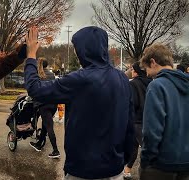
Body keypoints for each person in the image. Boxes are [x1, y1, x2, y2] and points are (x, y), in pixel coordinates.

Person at [24, 26, 134, 179]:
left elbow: (35, 89)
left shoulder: (80, 79)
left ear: (84, 49)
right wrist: (125, 159)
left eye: (76, 47)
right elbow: (129, 122)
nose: (75, 52)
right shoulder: (122, 78)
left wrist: (30, 55)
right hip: (114, 168)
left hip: (83, 169)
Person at [139, 43, 189, 180]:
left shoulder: (156, 86)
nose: (147, 74)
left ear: (153, 62)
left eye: (145, 68)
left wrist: (145, 160)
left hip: (161, 165)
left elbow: (151, 131)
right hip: (185, 163)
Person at [123, 61, 152, 179]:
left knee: (143, 148)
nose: (131, 71)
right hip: (148, 118)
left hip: (136, 120)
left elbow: (132, 103)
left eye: (133, 69)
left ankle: (148, 171)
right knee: (136, 145)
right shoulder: (151, 82)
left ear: (136, 72)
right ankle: (127, 169)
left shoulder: (133, 84)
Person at [29, 58, 60, 159]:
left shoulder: (38, 75)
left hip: (44, 104)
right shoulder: (51, 74)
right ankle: (38, 144)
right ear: (47, 65)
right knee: (45, 125)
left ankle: (56, 150)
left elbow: (34, 90)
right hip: (53, 103)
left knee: (49, 127)